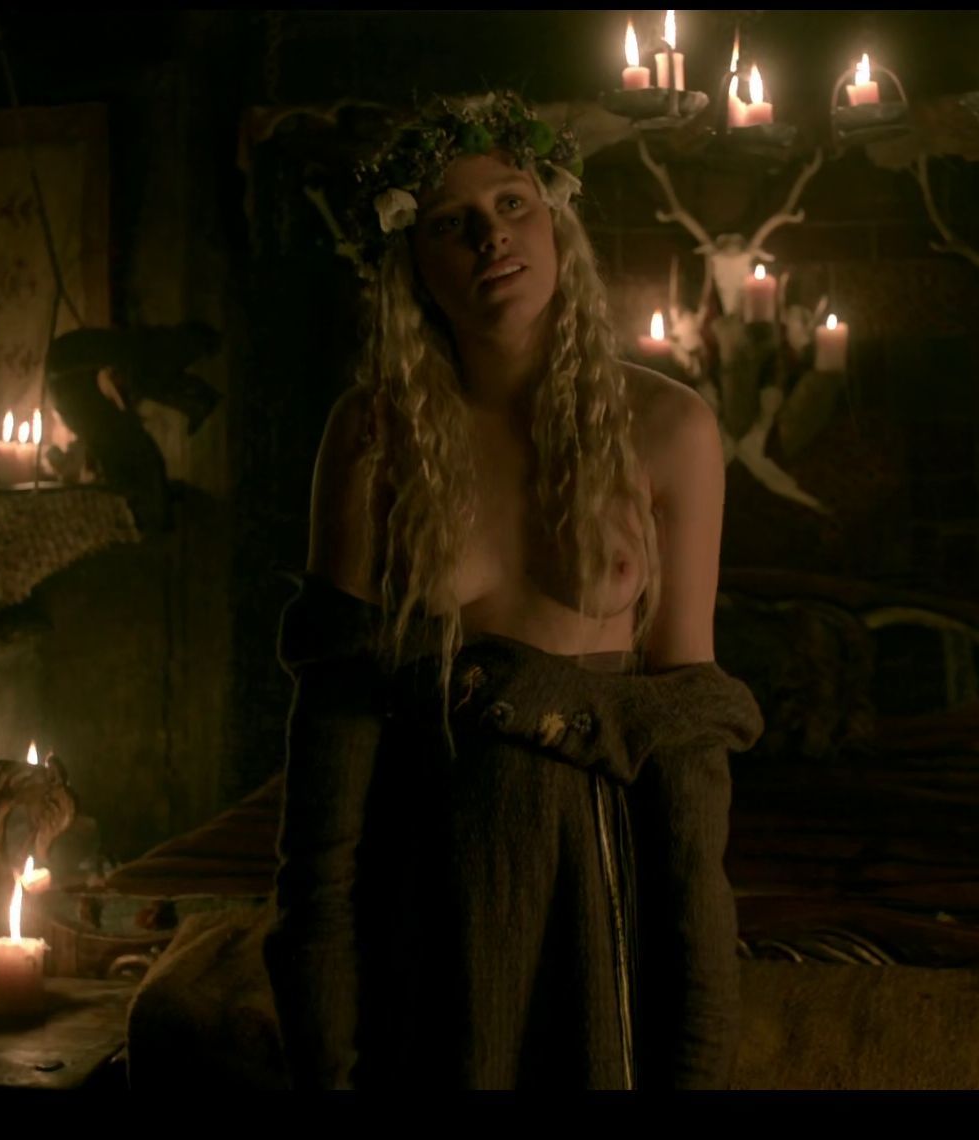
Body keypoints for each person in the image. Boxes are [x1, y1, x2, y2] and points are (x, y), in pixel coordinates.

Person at [260, 92, 764, 1091]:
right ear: (412, 262)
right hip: (424, 884)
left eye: (511, 204)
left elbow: (686, 735)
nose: (490, 237)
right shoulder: (373, 437)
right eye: (451, 223)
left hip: (599, 879)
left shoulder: (669, 430)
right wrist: (322, 1040)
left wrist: (699, 1041)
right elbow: (328, 761)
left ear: (556, 221)